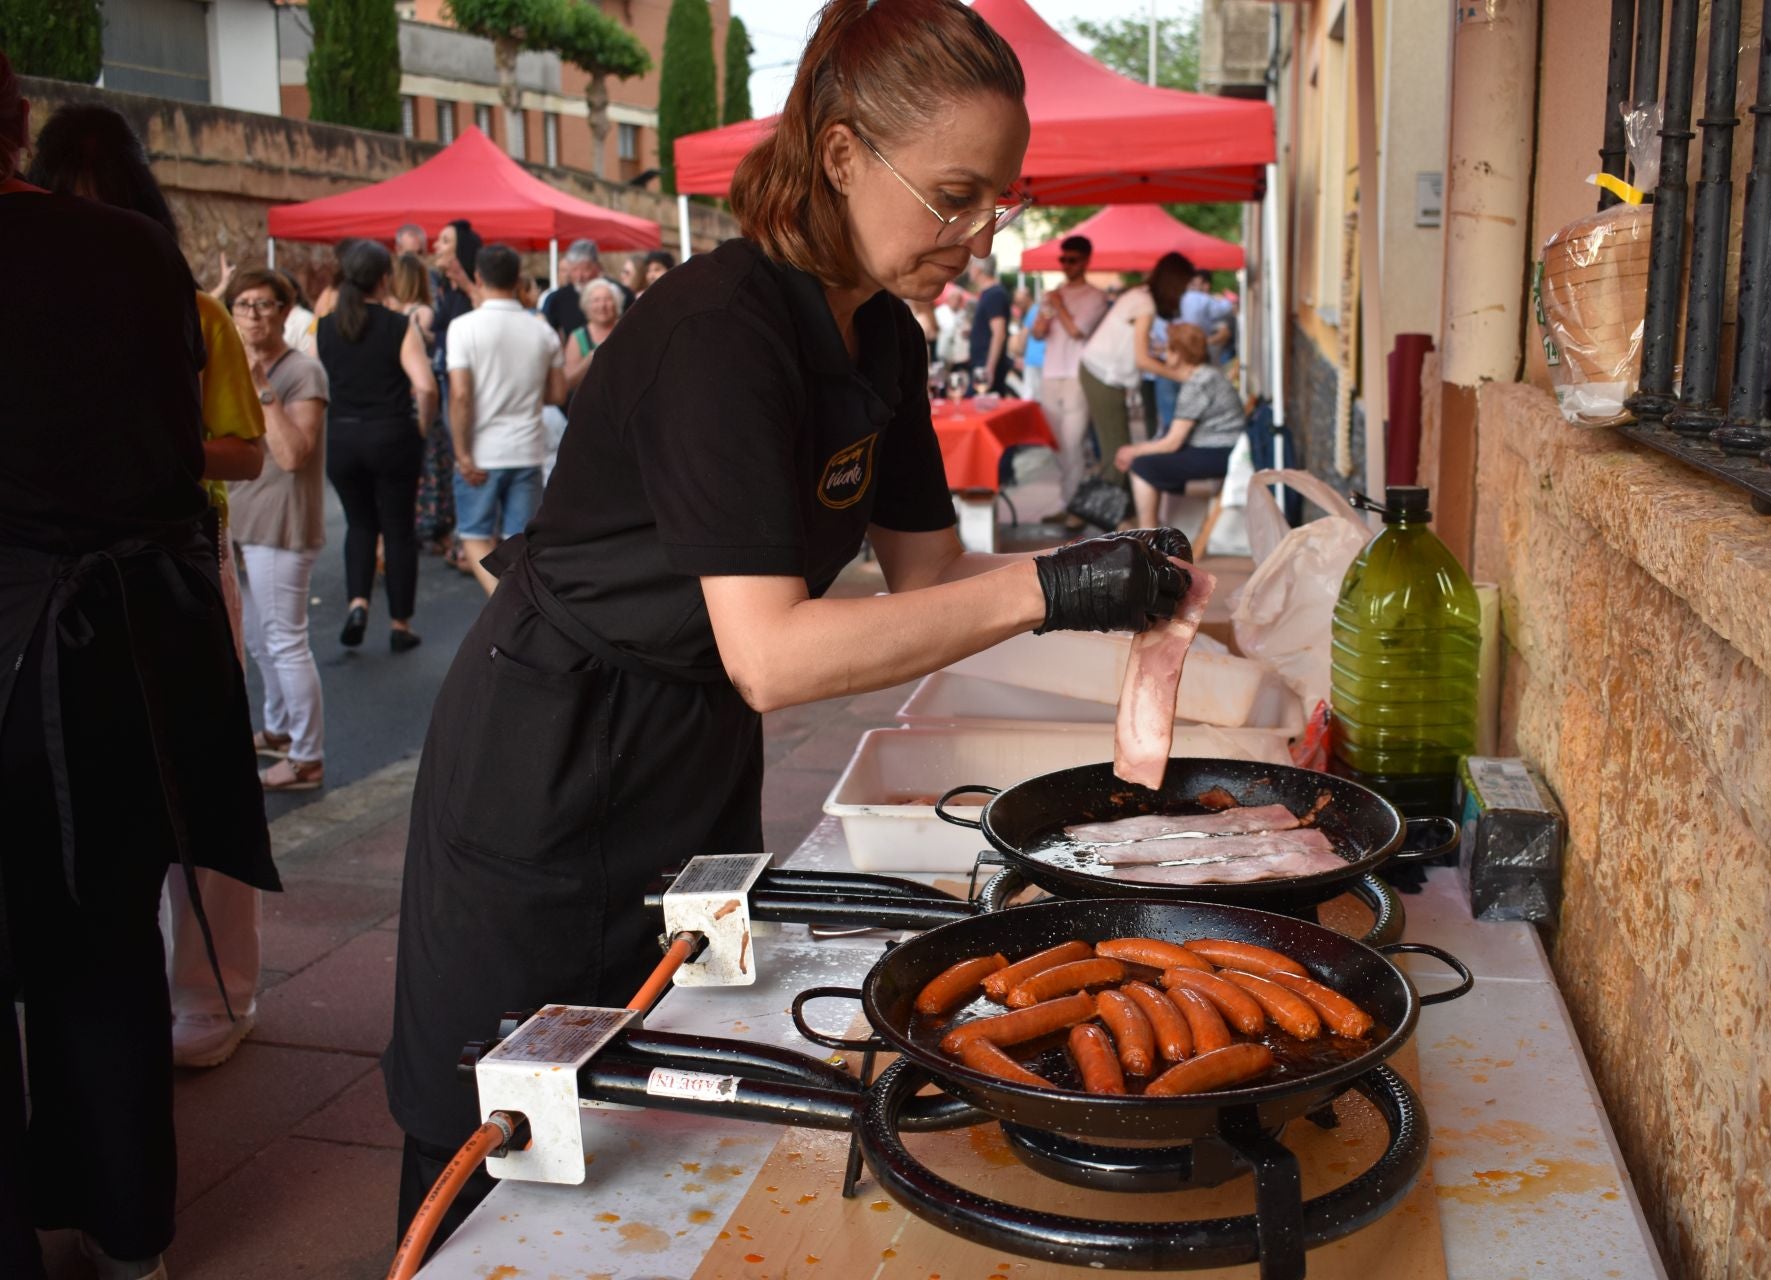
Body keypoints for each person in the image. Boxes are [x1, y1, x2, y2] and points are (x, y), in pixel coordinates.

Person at [381, 0, 1194, 1255]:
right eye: (954, 196)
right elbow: (773, 654)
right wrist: (1056, 587)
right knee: (502, 1117)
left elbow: (932, 573)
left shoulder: (883, 336)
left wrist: (1119, 593)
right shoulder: (725, 331)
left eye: (1000, 203)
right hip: (550, 745)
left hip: (689, 739)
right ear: (841, 154)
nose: (977, 237)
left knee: (656, 1098)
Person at [1, 54, 273, 1280]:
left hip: (23, 646)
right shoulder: (135, 255)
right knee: (104, 949)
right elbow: (182, 459)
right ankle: (126, 1230)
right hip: (122, 659)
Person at [226, 267, 331, 793]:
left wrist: (261, 385)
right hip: (246, 518)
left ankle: (308, 757)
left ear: (286, 312)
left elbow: (292, 455)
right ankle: (280, 730)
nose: (252, 315)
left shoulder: (302, 373)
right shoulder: (233, 364)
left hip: (283, 522)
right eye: (243, 304)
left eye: (264, 305)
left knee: (287, 640)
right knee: (261, 639)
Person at [317, 240, 439, 651]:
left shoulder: (326, 327)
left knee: (359, 524)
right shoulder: (397, 325)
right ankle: (400, 624)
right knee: (399, 530)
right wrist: (421, 426)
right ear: (385, 278)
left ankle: (358, 604)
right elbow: (425, 386)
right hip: (390, 435)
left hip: (343, 437)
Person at [446, 244, 566, 596]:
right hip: (527, 448)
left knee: (473, 536)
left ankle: (507, 604)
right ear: (518, 280)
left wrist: (461, 452)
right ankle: (517, 604)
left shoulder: (463, 327)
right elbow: (557, 394)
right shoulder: (542, 331)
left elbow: (461, 395)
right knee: (518, 542)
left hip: (482, 452)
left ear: (478, 278)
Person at [1079, 251, 1195, 486]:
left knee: (1117, 446)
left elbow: (1136, 346)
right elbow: (1142, 360)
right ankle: (1119, 515)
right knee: (1118, 450)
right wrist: (1180, 375)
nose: (1184, 293)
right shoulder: (1145, 305)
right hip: (1103, 375)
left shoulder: (1139, 296)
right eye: (1184, 287)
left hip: (1100, 373)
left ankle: (1123, 511)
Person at [1116, 323, 1245, 528]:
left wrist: (1133, 450)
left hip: (1218, 453)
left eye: (1168, 348)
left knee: (1142, 466)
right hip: (1225, 447)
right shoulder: (1208, 374)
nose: (1164, 353)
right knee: (1150, 457)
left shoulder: (1196, 385)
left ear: (1178, 354)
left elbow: (1172, 443)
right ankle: (1153, 530)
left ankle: (1148, 537)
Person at [1029, 233, 1108, 526]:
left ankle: (1075, 508)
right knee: (1057, 444)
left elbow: (1078, 332)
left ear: (1086, 261)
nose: (1065, 265)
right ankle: (1069, 502)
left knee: (1074, 443)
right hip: (1050, 374)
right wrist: (1042, 318)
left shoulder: (1096, 297)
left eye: (1071, 260)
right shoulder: (1054, 294)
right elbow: (1038, 334)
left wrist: (1058, 305)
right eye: (1063, 259)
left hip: (1077, 376)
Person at [422, 221, 482, 561]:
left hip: (466, 378)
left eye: (445, 240)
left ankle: (468, 535)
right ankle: (461, 531)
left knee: (464, 450)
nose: (436, 246)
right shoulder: (442, 287)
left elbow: (483, 309)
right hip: (445, 373)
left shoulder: (467, 284)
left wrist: (463, 279)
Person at [539, 238, 634, 338]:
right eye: (575, 269)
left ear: (597, 267)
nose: (579, 276)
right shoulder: (556, 299)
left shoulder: (620, 294)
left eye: (585, 269)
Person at [563, 275, 622, 395]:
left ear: (617, 303)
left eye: (608, 299)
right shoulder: (578, 336)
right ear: (587, 306)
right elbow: (568, 382)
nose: (602, 306)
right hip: (590, 405)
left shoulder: (626, 330)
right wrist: (590, 359)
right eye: (596, 300)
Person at [965, 254, 1013, 394]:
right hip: (982, 364)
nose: (969, 270)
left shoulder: (994, 294)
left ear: (978, 269)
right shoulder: (989, 294)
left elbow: (999, 333)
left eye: (971, 266)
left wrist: (989, 369)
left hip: (985, 367)